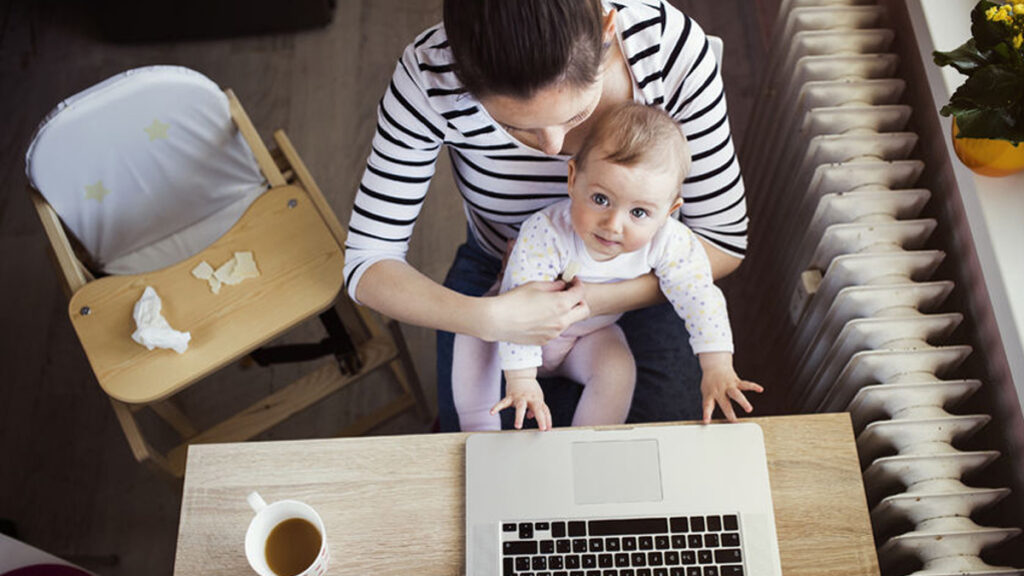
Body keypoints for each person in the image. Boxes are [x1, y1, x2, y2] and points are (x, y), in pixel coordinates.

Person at [343, 0, 749, 431]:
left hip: (642, 277)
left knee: (649, 463)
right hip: (497, 276)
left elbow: (722, 241)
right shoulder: (430, 75)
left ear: (607, 31)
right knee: (477, 456)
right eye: (516, 127)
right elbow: (367, 263)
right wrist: (493, 318)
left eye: (577, 115)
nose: (554, 150)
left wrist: (588, 300)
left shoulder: (668, 50)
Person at [453, 103, 761, 431]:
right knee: (473, 336)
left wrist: (717, 365)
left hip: (586, 337)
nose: (613, 225)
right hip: (514, 328)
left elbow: (700, 297)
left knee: (617, 368)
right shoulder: (546, 231)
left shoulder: (671, 242)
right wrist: (523, 379)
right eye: (601, 199)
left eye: (639, 213)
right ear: (574, 180)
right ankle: (477, 430)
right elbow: (519, 303)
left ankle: (590, 440)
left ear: (669, 211)